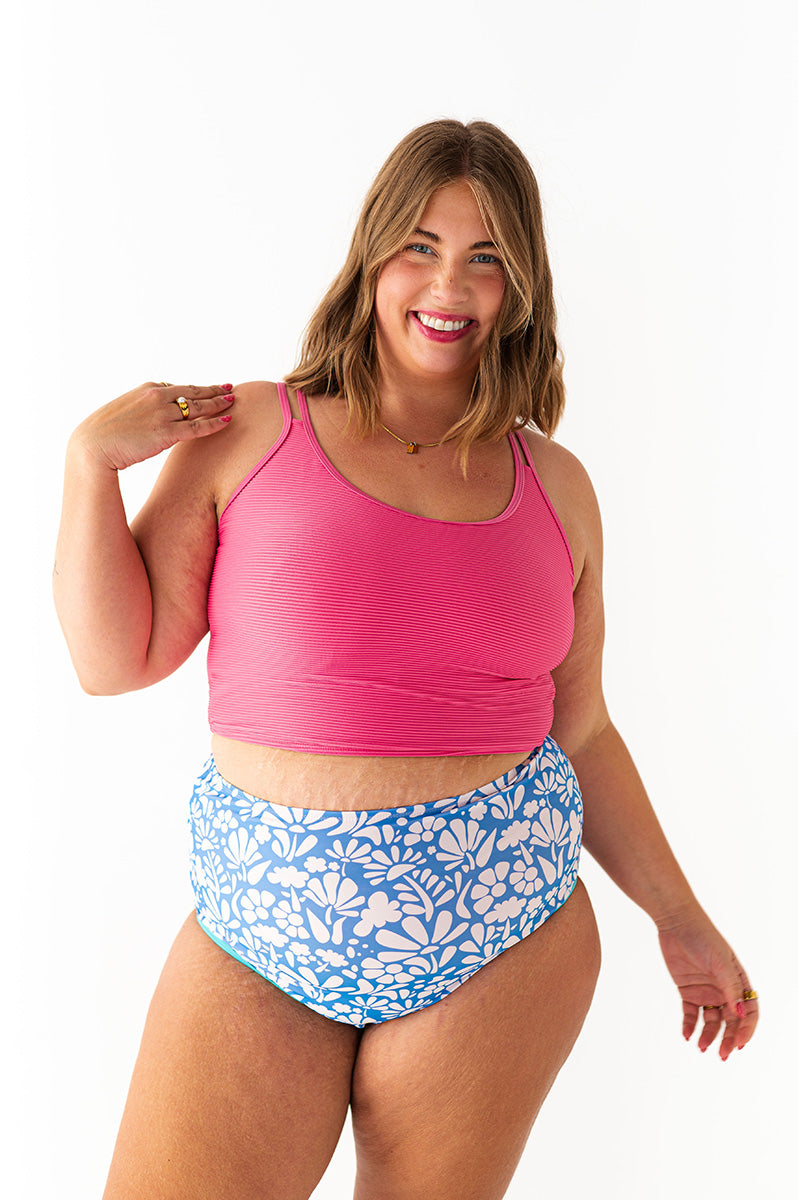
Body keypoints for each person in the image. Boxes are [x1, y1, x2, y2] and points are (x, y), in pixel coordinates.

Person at [54, 119, 758, 1200]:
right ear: (373, 255)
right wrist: (88, 467)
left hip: (500, 932)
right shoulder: (250, 430)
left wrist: (682, 918)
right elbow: (117, 660)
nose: (449, 286)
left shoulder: (558, 488)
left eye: (487, 257)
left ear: (521, 285)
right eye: (420, 247)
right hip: (261, 930)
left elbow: (581, 728)